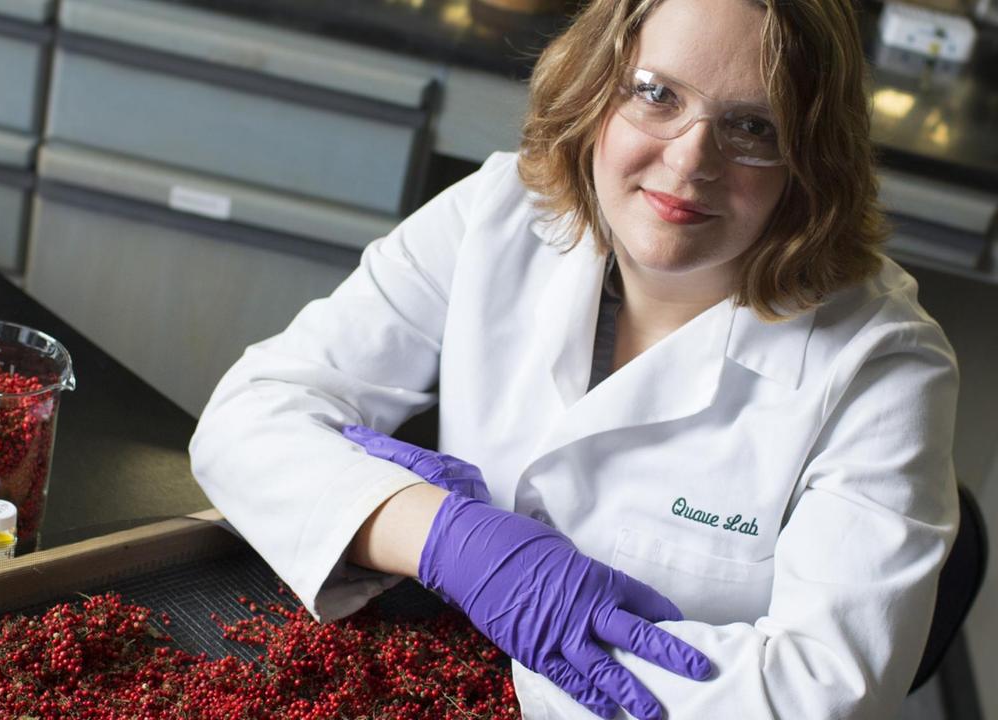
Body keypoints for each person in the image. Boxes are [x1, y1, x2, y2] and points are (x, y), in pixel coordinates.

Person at [189, 0, 960, 716]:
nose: (691, 161)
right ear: (597, 90)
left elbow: (822, 696)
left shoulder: (882, 368)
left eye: (753, 127)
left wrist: (556, 640)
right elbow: (248, 415)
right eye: (657, 94)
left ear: (811, 161)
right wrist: (441, 538)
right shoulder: (499, 214)